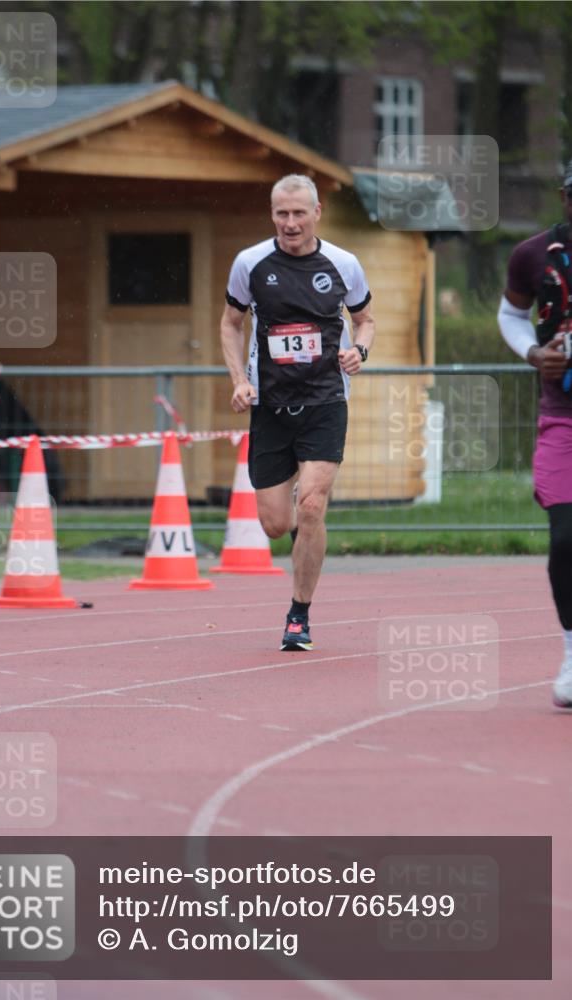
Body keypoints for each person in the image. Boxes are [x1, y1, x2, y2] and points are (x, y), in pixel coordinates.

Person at [220, 174, 375, 651]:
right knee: (276, 524)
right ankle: (304, 541)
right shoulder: (250, 263)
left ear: (317, 212)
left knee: (311, 504)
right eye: (282, 214)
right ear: (272, 214)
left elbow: (364, 319)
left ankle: (298, 614)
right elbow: (230, 323)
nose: (290, 223)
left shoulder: (343, 264)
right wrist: (240, 382)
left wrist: (360, 353)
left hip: (326, 400)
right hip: (270, 406)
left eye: (299, 213)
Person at [497, 159, 572, 708]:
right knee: (566, 543)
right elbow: (510, 315)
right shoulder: (532, 256)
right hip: (563, 418)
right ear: (565, 198)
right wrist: (532, 352)